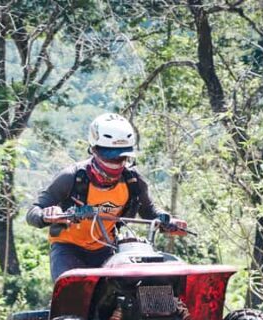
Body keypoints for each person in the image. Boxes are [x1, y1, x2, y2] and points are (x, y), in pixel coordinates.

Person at [26, 112, 185, 281]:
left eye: (122, 157)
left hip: (106, 249)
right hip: (68, 249)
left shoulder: (133, 181)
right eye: (109, 156)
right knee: (70, 291)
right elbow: (33, 211)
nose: (115, 163)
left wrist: (168, 221)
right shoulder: (71, 177)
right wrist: (47, 215)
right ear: (94, 150)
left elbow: (149, 211)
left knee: (131, 287)